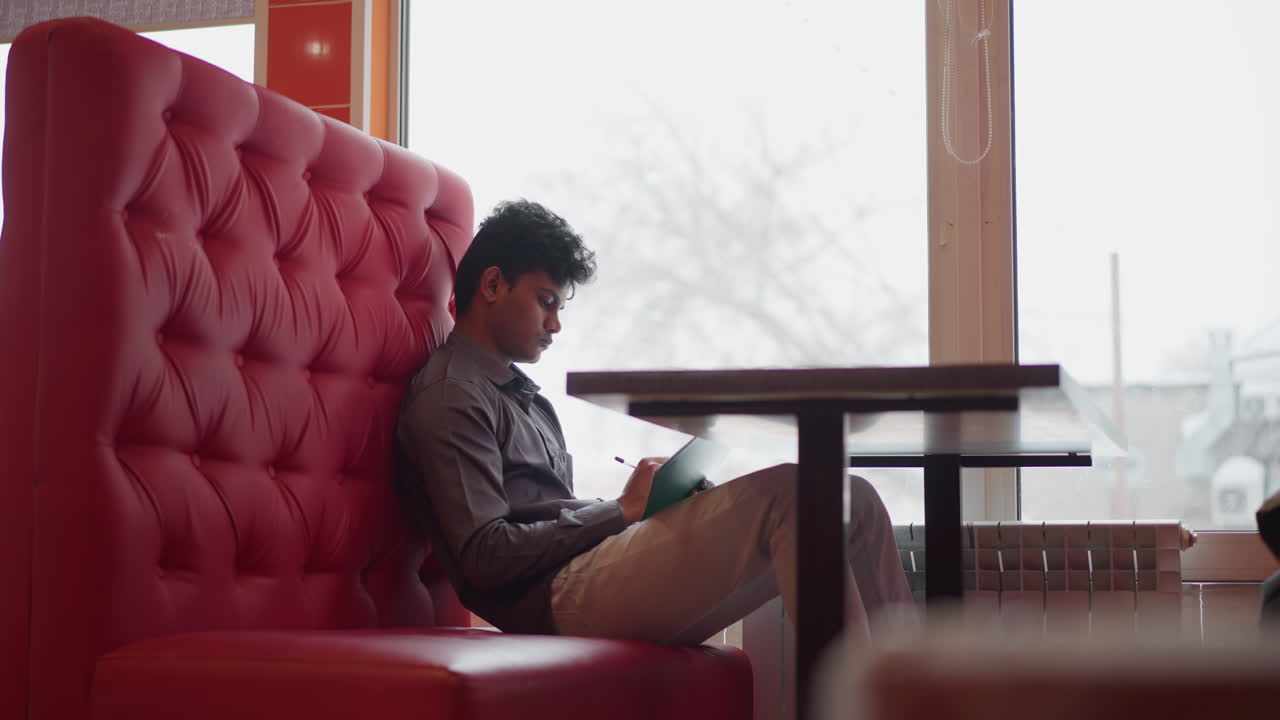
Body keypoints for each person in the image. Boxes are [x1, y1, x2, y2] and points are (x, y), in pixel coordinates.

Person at [395, 199, 912, 646]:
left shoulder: (523, 397)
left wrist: (644, 505)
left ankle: (915, 701)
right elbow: (484, 558)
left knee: (851, 500)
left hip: (588, 571)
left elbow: (544, 519)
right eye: (546, 301)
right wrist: (621, 510)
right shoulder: (452, 395)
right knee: (800, 496)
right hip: (553, 600)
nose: (556, 324)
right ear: (492, 284)